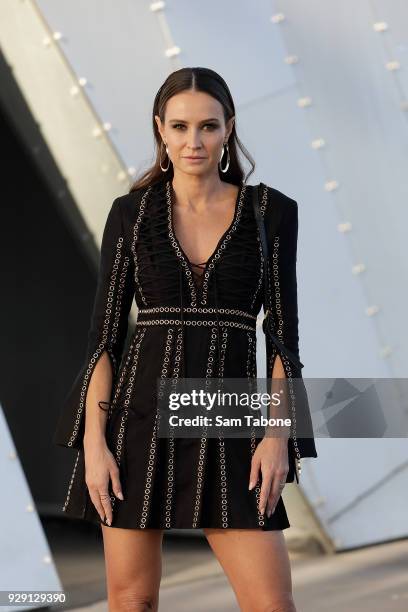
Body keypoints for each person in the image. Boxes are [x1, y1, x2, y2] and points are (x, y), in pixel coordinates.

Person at [53, 66, 317, 612]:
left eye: (208, 126)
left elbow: (283, 338)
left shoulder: (272, 212)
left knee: (271, 603)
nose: (193, 141)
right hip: (135, 422)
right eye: (179, 127)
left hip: (231, 419)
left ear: (228, 129)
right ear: (160, 130)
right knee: (132, 601)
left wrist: (275, 437)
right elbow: (103, 340)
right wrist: (95, 444)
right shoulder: (130, 214)